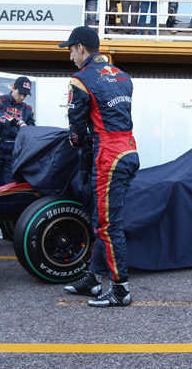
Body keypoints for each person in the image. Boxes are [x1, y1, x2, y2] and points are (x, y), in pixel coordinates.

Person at [59, 26, 140, 307]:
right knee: (100, 220)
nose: (70, 57)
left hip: (108, 155)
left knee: (107, 225)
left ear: (81, 48)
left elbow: (77, 129)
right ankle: (93, 279)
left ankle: (121, 289)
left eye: (71, 50)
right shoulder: (123, 76)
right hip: (128, 150)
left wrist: (74, 140)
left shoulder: (80, 80)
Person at [0, 77, 35, 234]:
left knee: (10, 192)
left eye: (26, 94)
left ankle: (10, 233)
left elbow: (31, 129)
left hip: (13, 153)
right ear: (13, 88)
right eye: (21, 93)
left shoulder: (28, 109)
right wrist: (15, 121)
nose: (23, 97)